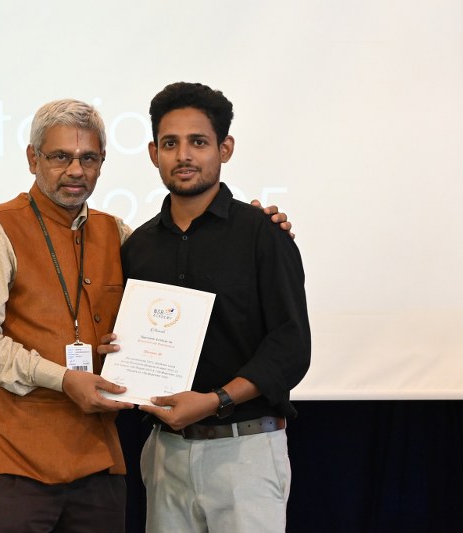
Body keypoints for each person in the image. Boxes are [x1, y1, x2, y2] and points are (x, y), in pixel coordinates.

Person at [0, 98, 294, 532]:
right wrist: (62, 378)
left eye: (88, 158)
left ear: (102, 163)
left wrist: (257, 228)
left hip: (98, 459)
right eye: (60, 157)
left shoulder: (119, 236)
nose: (76, 170)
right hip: (13, 455)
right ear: (33, 159)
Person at [99, 82, 311, 533]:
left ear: (224, 148)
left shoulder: (263, 234)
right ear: (153, 153)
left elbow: (290, 346)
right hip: (165, 450)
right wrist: (114, 352)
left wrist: (216, 401)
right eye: (170, 144)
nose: (184, 156)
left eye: (198, 142)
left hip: (245, 453)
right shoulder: (138, 247)